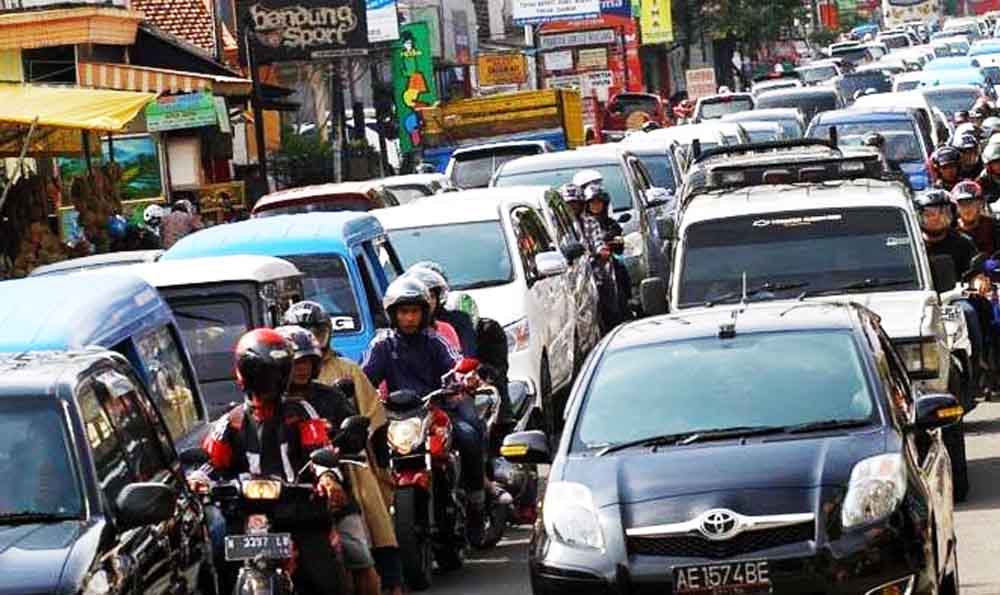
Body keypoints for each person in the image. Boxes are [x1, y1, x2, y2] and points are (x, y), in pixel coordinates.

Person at [201, 328, 348, 594]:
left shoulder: (301, 412)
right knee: (213, 567)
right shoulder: (229, 421)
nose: (267, 382)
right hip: (245, 517)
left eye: (273, 373)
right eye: (260, 374)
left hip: (299, 512)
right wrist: (197, 480)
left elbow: (319, 448)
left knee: (326, 581)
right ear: (244, 374)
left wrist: (327, 477)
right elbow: (211, 462)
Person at [281, 301, 404, 595]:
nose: (300, 369)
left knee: (362, 538)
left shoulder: (336, 386)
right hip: (281, 490)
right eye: (293, 362)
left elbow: (370, 420)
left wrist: (374, 463)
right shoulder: (266, 402)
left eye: (305, 362)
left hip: (338, 473)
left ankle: (391, 581)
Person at [361, 276, 487, 542]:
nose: (409, 318)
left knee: (467, 435)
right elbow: (364, 378)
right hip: (396, 417)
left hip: (434, 410)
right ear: (393, 314)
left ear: (424, 313)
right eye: (404, 312)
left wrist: (465, 379)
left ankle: (476, 503)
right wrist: (349, 392)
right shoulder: (381, 345)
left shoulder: (435, 342)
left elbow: (455, 366)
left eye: (414, 311)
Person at [915, 190, 985, 383]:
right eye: (929, 214)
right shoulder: (913, 243)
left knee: (971, 312)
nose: (936, 219)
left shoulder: (962, 242)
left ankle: (979, 366)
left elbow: (974, 272)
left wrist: (977, 282)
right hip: (920, 302)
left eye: (942, 212)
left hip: (954, 299)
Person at [410, 260, 478, 357]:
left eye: (431, 296)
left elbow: (467, 357)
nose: (426, 302)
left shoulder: (457, 322)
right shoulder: (400, 323)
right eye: (421, 296)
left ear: (438, 297)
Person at [585, 183, 630, 327]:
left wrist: (612, 243)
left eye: (598, 203)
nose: (596, 206)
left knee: (620, 269)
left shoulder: (611, 224)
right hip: (587, 266)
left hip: (605, 263)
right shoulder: (581, 225)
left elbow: (619, 246)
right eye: (592, 203)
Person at [404, 265, 462, 352]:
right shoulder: (391, 336)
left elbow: (457, 362)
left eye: (432, 296)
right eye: (422, 296)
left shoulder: (445, 329)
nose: (428, 302)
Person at [953, 180, 1000, 255]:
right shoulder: (952, 230)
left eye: (971, 203)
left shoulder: (994, 225)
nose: (967, 208)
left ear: (980, 203)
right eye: (962, 204)